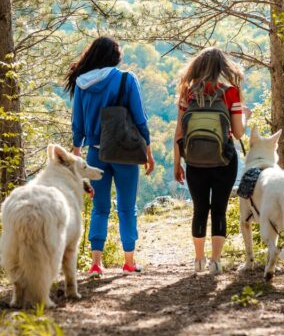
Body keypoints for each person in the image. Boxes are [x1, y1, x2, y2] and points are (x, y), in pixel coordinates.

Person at [67, 37, 155, 277]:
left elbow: (78, 125)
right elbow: (140, 119)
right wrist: (148, 150)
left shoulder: (82, 83)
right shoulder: (126, 79)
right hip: (125, 151)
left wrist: (76, 156)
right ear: (114, 57)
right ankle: (129, 261)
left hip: (96, 153)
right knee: (127, 207)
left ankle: (96, 263)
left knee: (100, 208)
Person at [173, 47, 246, 275]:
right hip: (224, 160)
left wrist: (177, 163)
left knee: (200, 209)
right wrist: (244, 114)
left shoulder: (188, 92)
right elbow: (239, 132)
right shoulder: (230, 92)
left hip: (194, 161)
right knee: (219, 209)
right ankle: (215, 261)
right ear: (222, 67)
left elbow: (179, 132)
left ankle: (198, 260)